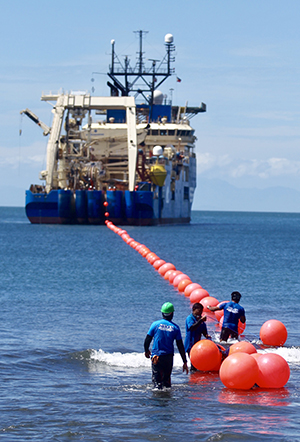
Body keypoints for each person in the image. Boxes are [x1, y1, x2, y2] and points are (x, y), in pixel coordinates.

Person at [144, 302, 188, 389]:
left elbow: (147, 340)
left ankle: (157, 400)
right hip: (168, 358)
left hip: (157, 356)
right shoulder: (175, 328)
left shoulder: (155, 324)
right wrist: (184, 361)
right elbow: (180, 346)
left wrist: (146, 350)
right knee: (166, 382)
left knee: (157, 382)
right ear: (172, 313)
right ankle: (166, 400)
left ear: (162, 313)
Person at [185, 303, 211, 370]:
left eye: (201, 311)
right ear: (194, 309)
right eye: (199, 311)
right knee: (193, 364)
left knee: (197, 364)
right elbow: (192, 328)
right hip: (190, 345)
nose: (200, 313)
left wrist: (207, 336)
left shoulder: (201, 321)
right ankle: (192, 378)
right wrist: (201, 320)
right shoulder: (190, 318)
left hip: (197, 346)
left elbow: (204, 331)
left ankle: (195, 377)